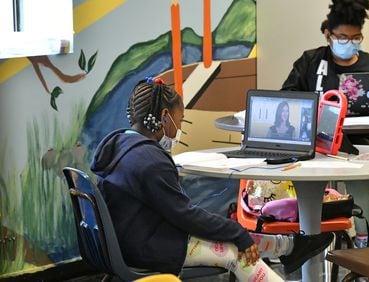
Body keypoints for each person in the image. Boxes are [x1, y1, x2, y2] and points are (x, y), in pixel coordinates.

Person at [90, 77, 334, 280]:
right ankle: (288, 247)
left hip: (129, 239)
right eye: (180, 120)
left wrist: (234, 232)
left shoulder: (121, 145)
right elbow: (186, 216)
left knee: (232, 236)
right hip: (146, 247)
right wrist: (236, 233)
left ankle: (288, 247)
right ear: (165, 117)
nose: (179, 128)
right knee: (237, 252)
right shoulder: (149, 161)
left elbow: (180, 214)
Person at [281, 0, 369, 247]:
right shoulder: (310, 62)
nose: (349, 43)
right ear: (328, 34)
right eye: (342, 37)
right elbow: (288, 96)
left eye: (356, 37)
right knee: (307, 181)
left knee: (362, 177)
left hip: (360, 147)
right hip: (315, 147)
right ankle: (308, 238)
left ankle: (364, 239)